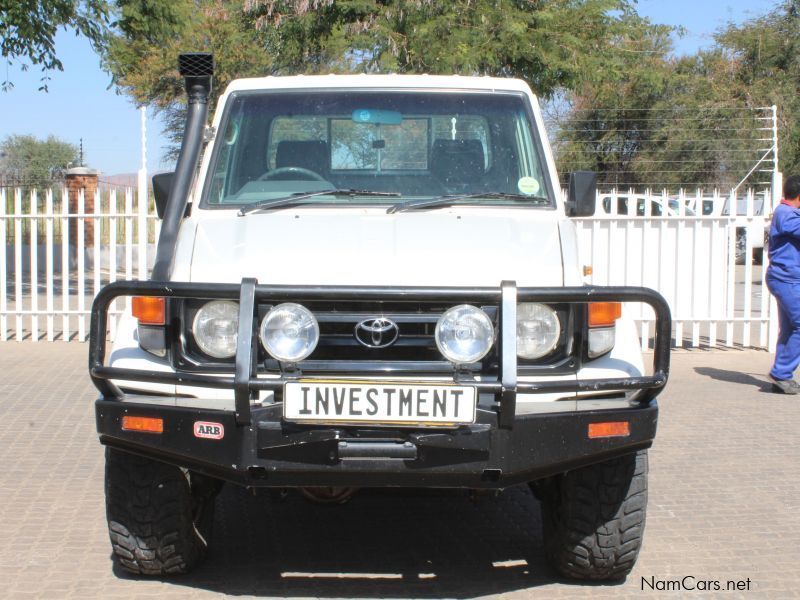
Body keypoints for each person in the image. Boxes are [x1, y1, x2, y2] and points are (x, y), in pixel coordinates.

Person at [767, 174, 800, 393]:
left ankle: (781, 375)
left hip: (787, 279)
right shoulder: (787, 215)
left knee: (789, 328)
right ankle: (781, 372)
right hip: (786, 279)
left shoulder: (788, 213)